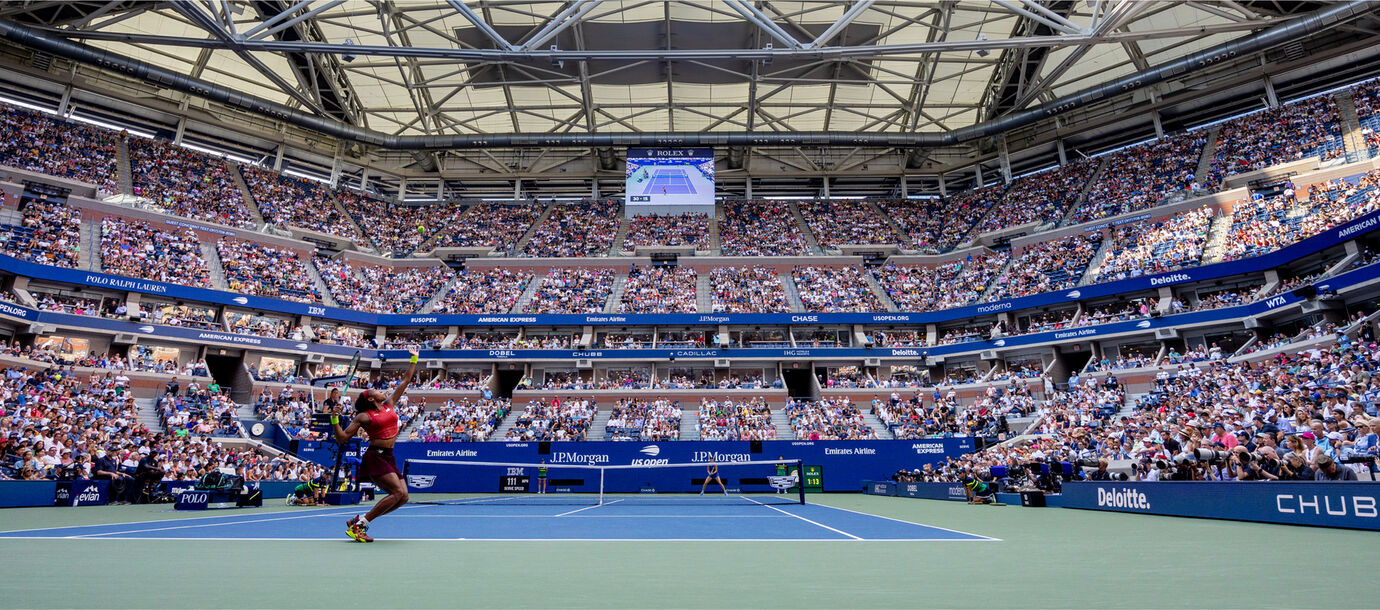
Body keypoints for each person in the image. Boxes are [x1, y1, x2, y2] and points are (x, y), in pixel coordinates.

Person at [333, 348, 419, 542]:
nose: (382, 391)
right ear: (371, 398)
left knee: (403, 497)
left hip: (389, 456)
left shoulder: (389, 404)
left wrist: (414, 358)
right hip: (375, 456)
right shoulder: (364, 416)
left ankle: (358, 520)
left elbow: (405, 380)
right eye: (376, 390)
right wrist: (334, 419)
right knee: (397, 492)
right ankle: (360, 525)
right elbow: (342, 439)